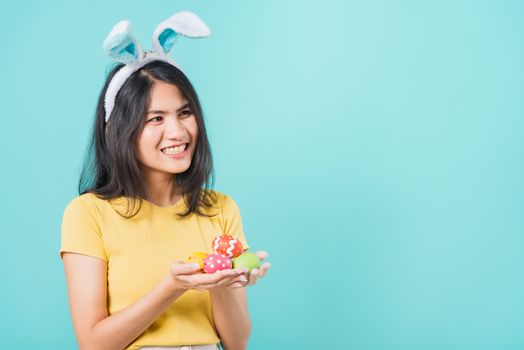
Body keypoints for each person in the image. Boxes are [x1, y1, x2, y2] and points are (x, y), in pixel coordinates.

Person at [59, 12, 270, 350]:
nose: (177, 132)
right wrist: (172, 287)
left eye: (184, 113)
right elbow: (93, 344)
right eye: (156, 118)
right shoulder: (88, 214)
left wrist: (221, 282)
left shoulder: (220, 209)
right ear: (117, 130)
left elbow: (237, 342)